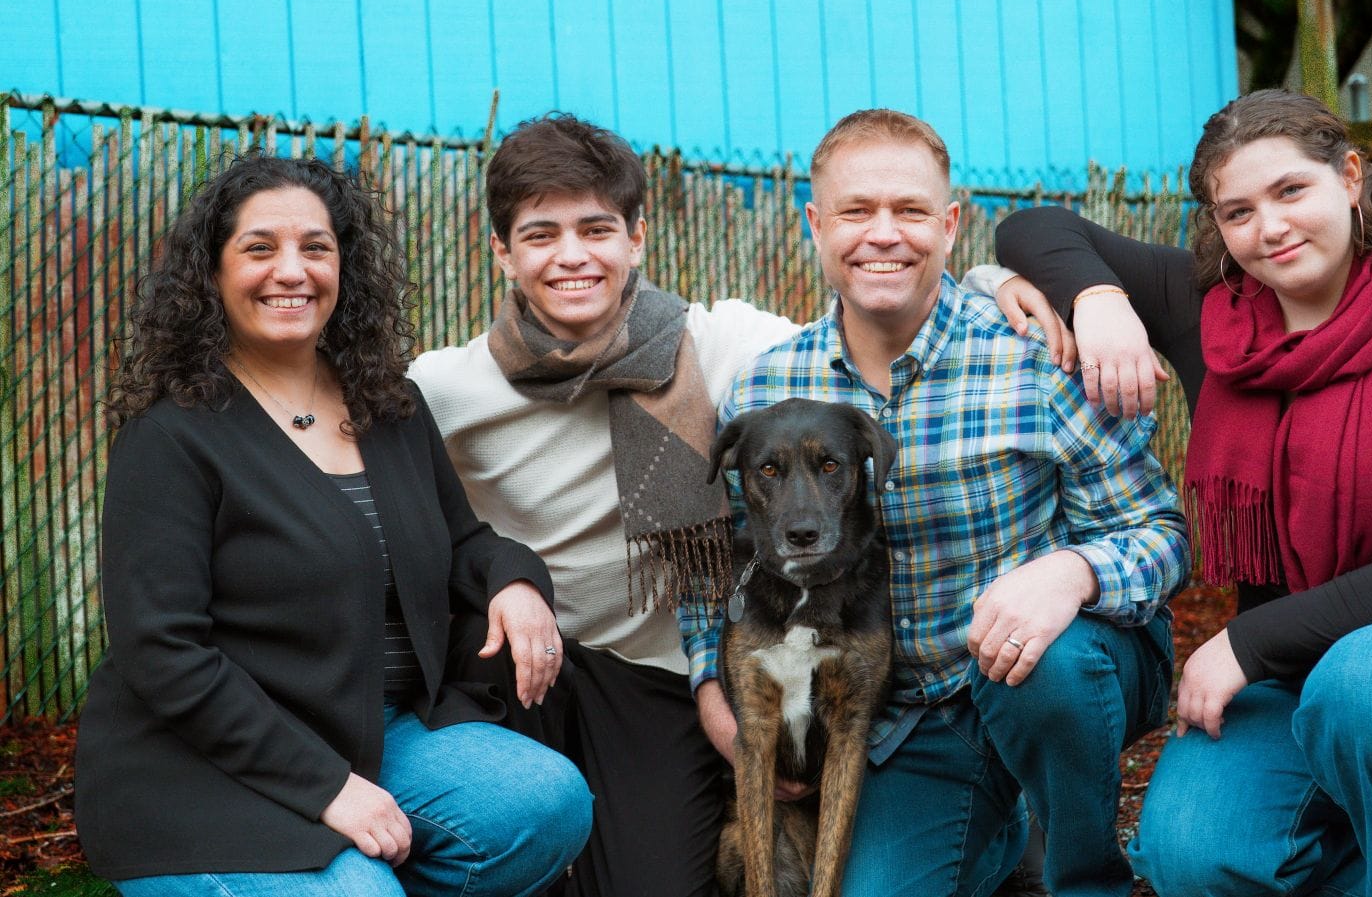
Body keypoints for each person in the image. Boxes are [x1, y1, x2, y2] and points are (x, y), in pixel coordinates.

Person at [410, 112, 1069, 897]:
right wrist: (498, 578)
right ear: (502, 253)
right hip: (528, 668)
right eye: (541, 234)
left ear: (638, 238)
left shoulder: (718, 346)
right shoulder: (446, 388)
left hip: (650, 679)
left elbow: (875, 309)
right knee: (515, 831)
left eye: (597, 228)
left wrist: (1003, 286)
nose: (574, 255)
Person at [993, 89, 1372, 897]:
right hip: (1298, 674)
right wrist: (1095, 297)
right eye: (1238, 211)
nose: (1268, 228)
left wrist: (1244, 643)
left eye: (1291, 191)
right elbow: (1033, 228)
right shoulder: (1210, 315)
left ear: (1351, 177)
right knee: (1193, 857)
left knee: (1369, 685)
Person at [679, 108, 1190, 897]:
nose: (883, 234)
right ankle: (1004, 834)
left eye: (910, 211)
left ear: (950, 225)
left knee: (1049, 669)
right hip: (903, 723)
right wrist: (712, 686)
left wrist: (1074, 572)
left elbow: (1160, 531)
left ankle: (1086, 874)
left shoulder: (1034, 359)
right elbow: (715, 558)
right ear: (816, 223)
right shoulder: (767, 388)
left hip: (1043, 674)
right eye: (856, 211)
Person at [75, 154, 592, 897]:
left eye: (316, 247)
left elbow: (463, 543)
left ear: (344, 266)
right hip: (203, 764)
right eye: (260, 248)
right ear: (211, 275)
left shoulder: (388, 405)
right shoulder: (172, 437)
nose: (293, 270)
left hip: (373, 734)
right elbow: (163, 651)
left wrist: (515, 580)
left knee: (546, 804)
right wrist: (327, 787)